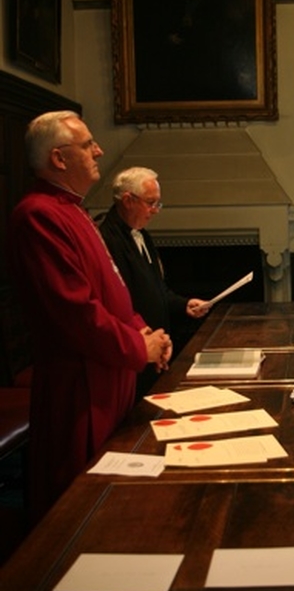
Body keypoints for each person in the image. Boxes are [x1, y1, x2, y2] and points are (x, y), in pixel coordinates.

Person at [8, 112, 172, 523]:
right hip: (80, 384)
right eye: (87, 145)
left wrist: (143, 329)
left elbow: (113, 288)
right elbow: (76, 312)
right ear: (59, 159)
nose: (99, 151)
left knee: (114, 496)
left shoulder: (76, 211)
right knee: (80, 508)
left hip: (108, 370)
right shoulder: (38, 215)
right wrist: (139, 346)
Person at [98, 167, 211, 397]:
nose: (155, 211)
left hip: (156, 345)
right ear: (128, 200)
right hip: (135, 347)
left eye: (158, 204)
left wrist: (184, 304)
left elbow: (157, 289)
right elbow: (121, 302)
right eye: (151, 203)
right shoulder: (106, 239)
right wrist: (146, 341)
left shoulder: (142, 234)